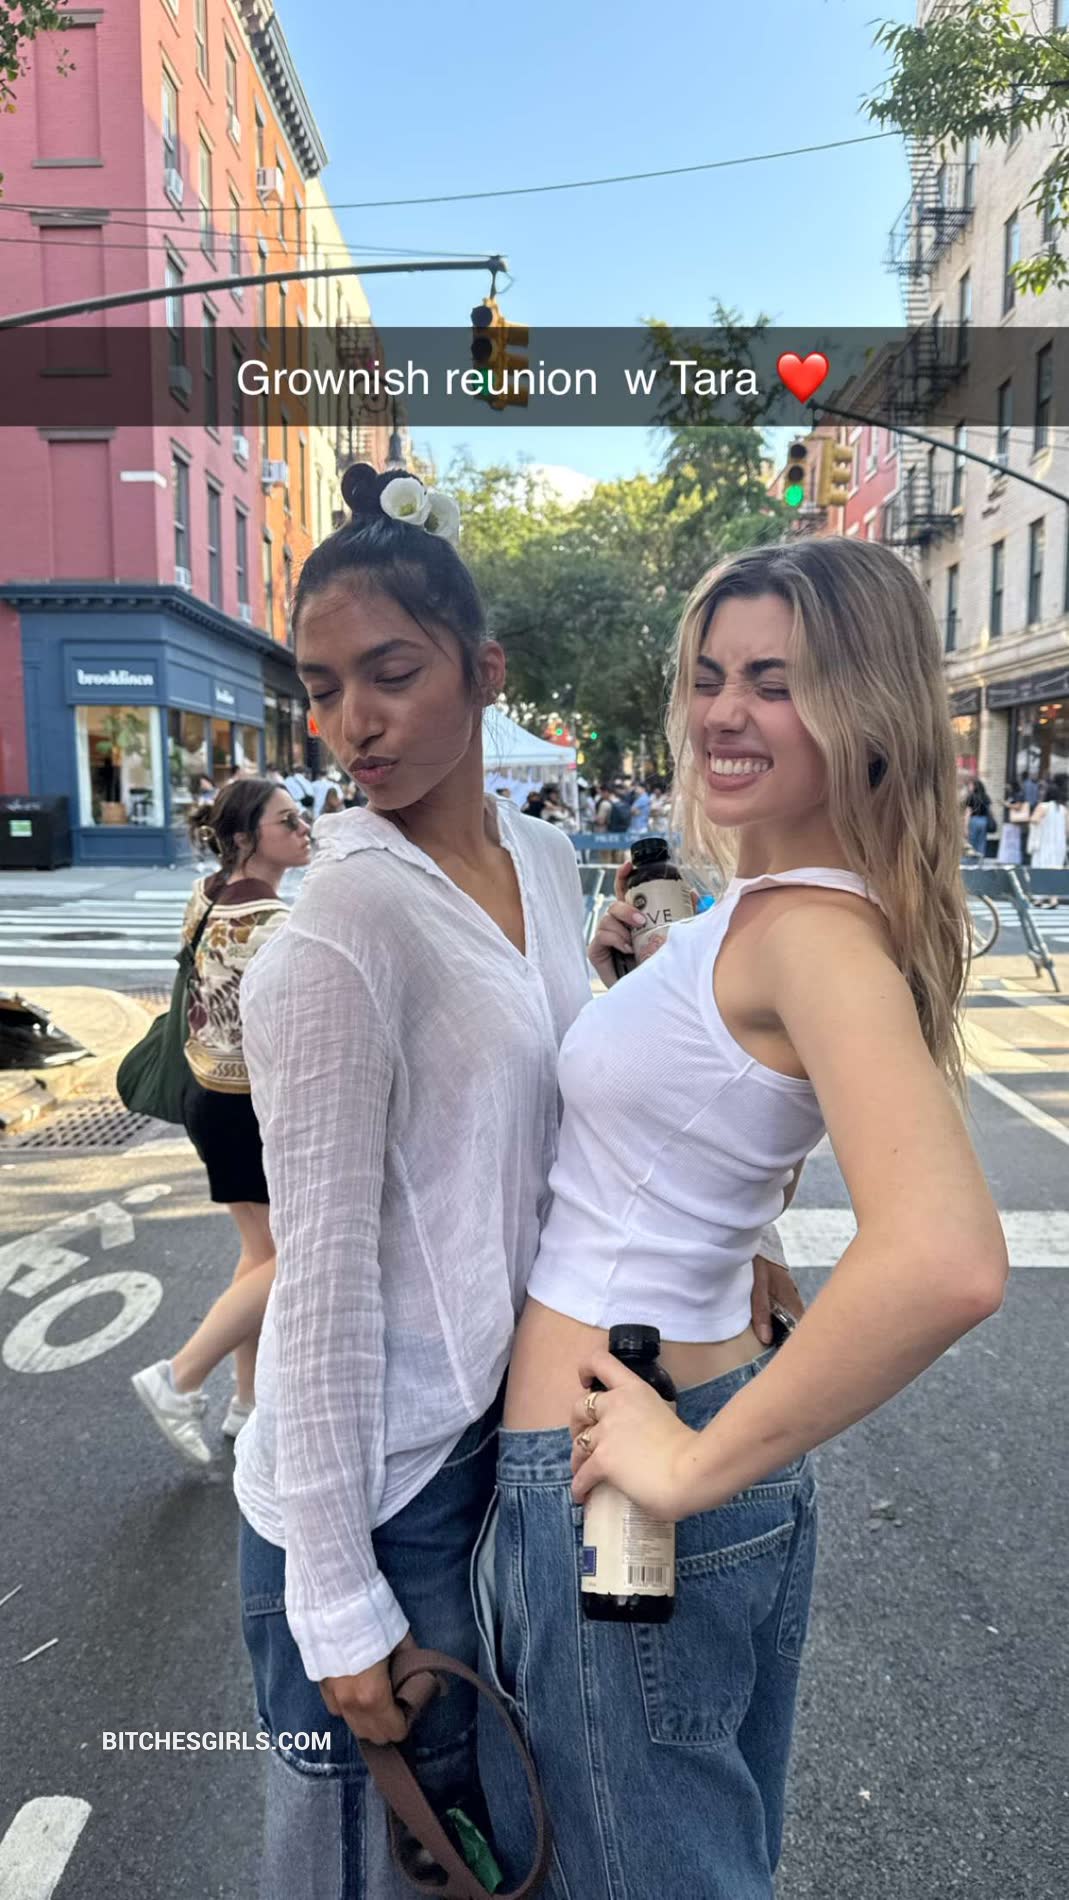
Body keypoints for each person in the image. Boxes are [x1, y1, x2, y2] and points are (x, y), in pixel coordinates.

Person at [230, 465, 793, 1900]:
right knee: (393, 1870)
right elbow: (317, 1281)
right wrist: (334, 1597)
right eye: (322, 689)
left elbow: (560, 1112)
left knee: (510, 1849)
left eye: (392, 674)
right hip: (386, 1491)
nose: (353, 723)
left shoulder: (541, 860)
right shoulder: (340, 930)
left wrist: (728, 1228)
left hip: (514, 1440)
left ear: (485, 673)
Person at [480, 537, 1008, 1899]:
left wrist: (687, 1464)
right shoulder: (766, 912)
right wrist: (636, 998)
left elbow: (947, 1259)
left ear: (862, 712)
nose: (724, 712)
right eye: (710, 676)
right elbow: (717, 1121)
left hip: (624, 1482)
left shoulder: (810, 936)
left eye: (774, 683)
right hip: (647, 1450)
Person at [131, 779, 311, 1466]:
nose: (303, 827)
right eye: (286, 820)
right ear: (244, 838)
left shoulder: (205, 894)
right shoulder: (275, 925)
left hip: (210, 1096)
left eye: (301, 816)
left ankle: (247, 1401)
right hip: (249, 1109)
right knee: (292, 1257)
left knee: (260, 1254)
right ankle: (179, 1377)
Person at [1027, 781, 1068, 903]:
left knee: (1040, 869)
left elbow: (1034, 820)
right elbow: (1067, 830)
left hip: (1044, 844)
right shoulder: (1064, 809)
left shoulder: (1043, 806)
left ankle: (1039, 898)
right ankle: (1053, 899)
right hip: (1059, 845)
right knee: (1056, 870)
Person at [996, 780, 1026, 866]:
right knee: (1007, 841)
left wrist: (1006, 804)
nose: (1007, 788)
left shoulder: (1019, 795)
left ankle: (1013, 859)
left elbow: (1018, 806)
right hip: (1008, 821)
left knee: (1013, 841)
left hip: (1014, 821)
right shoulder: (1011, 795)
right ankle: (1006, 858)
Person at [962, 776, 992, 859]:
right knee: (982, 841)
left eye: (971, 785)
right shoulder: (986, 797)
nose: (970, 787)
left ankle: (971, 860)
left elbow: (968, 812)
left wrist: (965, 826)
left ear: (975, 786)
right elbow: (990, 811)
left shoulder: (971, 797)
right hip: (984, 820)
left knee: (972, 841)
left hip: (974, 820)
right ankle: (980, 859)